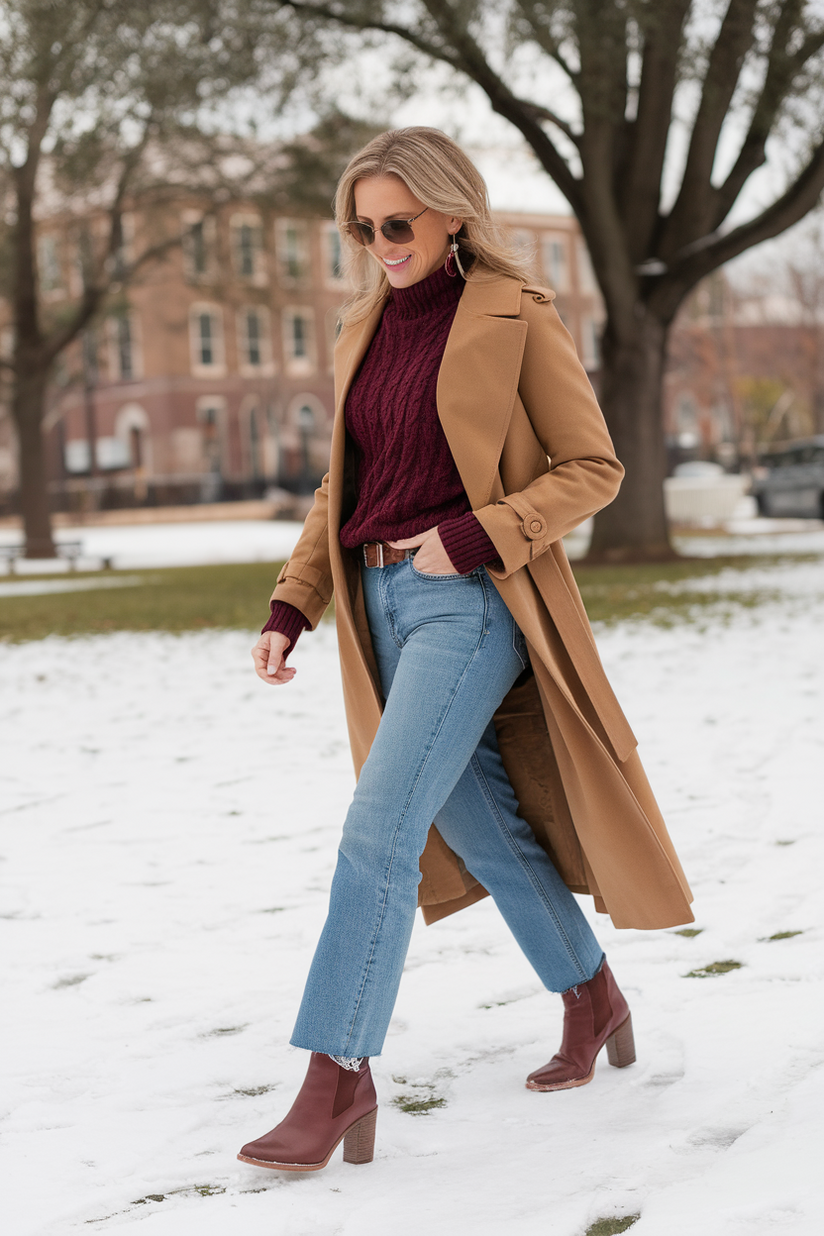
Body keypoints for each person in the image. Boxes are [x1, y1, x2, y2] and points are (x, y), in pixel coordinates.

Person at [239, 127, 693, 1174]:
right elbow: (338, 489)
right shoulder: (363, 326)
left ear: (452, 213)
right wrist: (290, 604)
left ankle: (336, 1074)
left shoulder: (513, 317)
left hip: (471, 601)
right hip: (376, 606)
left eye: (397, 222)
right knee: (476, 824)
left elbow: (592, 465)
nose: (380, 243)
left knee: (377, 830)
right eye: (362, 228)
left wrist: (476, 534)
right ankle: (591, 995)